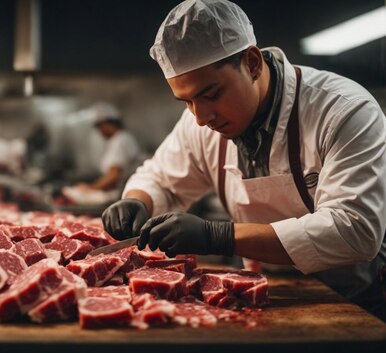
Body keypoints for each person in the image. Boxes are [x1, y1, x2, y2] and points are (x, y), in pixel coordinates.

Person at [101, 0, 386, 319]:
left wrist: (218, 235)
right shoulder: (200, 122)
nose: (200, 117)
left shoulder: (343, 111)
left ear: (251, 62)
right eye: (187, 102)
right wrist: (138, 201)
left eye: (211, 94)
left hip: (359, 301)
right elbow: (160, 179)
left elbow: (355, 231)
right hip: (268, 295)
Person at [77, 102, 142, 192]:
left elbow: (114, 175)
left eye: (99, 126)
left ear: (107, 123)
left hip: (123, 192)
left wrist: (91, 188)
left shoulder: (120, 140)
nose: (99, 131)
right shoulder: (118, 139)